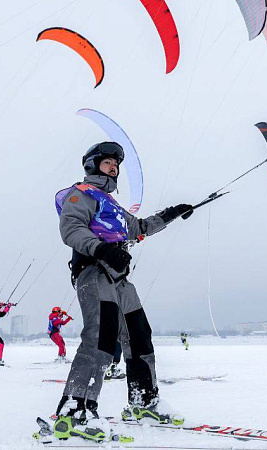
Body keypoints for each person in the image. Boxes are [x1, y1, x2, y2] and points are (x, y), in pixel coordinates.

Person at [52, 141, 193, 441]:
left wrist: (172, 213)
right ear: (92, 165)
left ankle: (143, 400)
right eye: (108, 163)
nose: (114, 168)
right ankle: (76, 410)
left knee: (139, 333)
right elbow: (71, 228)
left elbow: (140, 226)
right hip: (93, 269)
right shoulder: (82, 194)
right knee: (100, 335)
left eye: (116, 166)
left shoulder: (114, 206)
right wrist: (102, 249)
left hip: (119, 278)